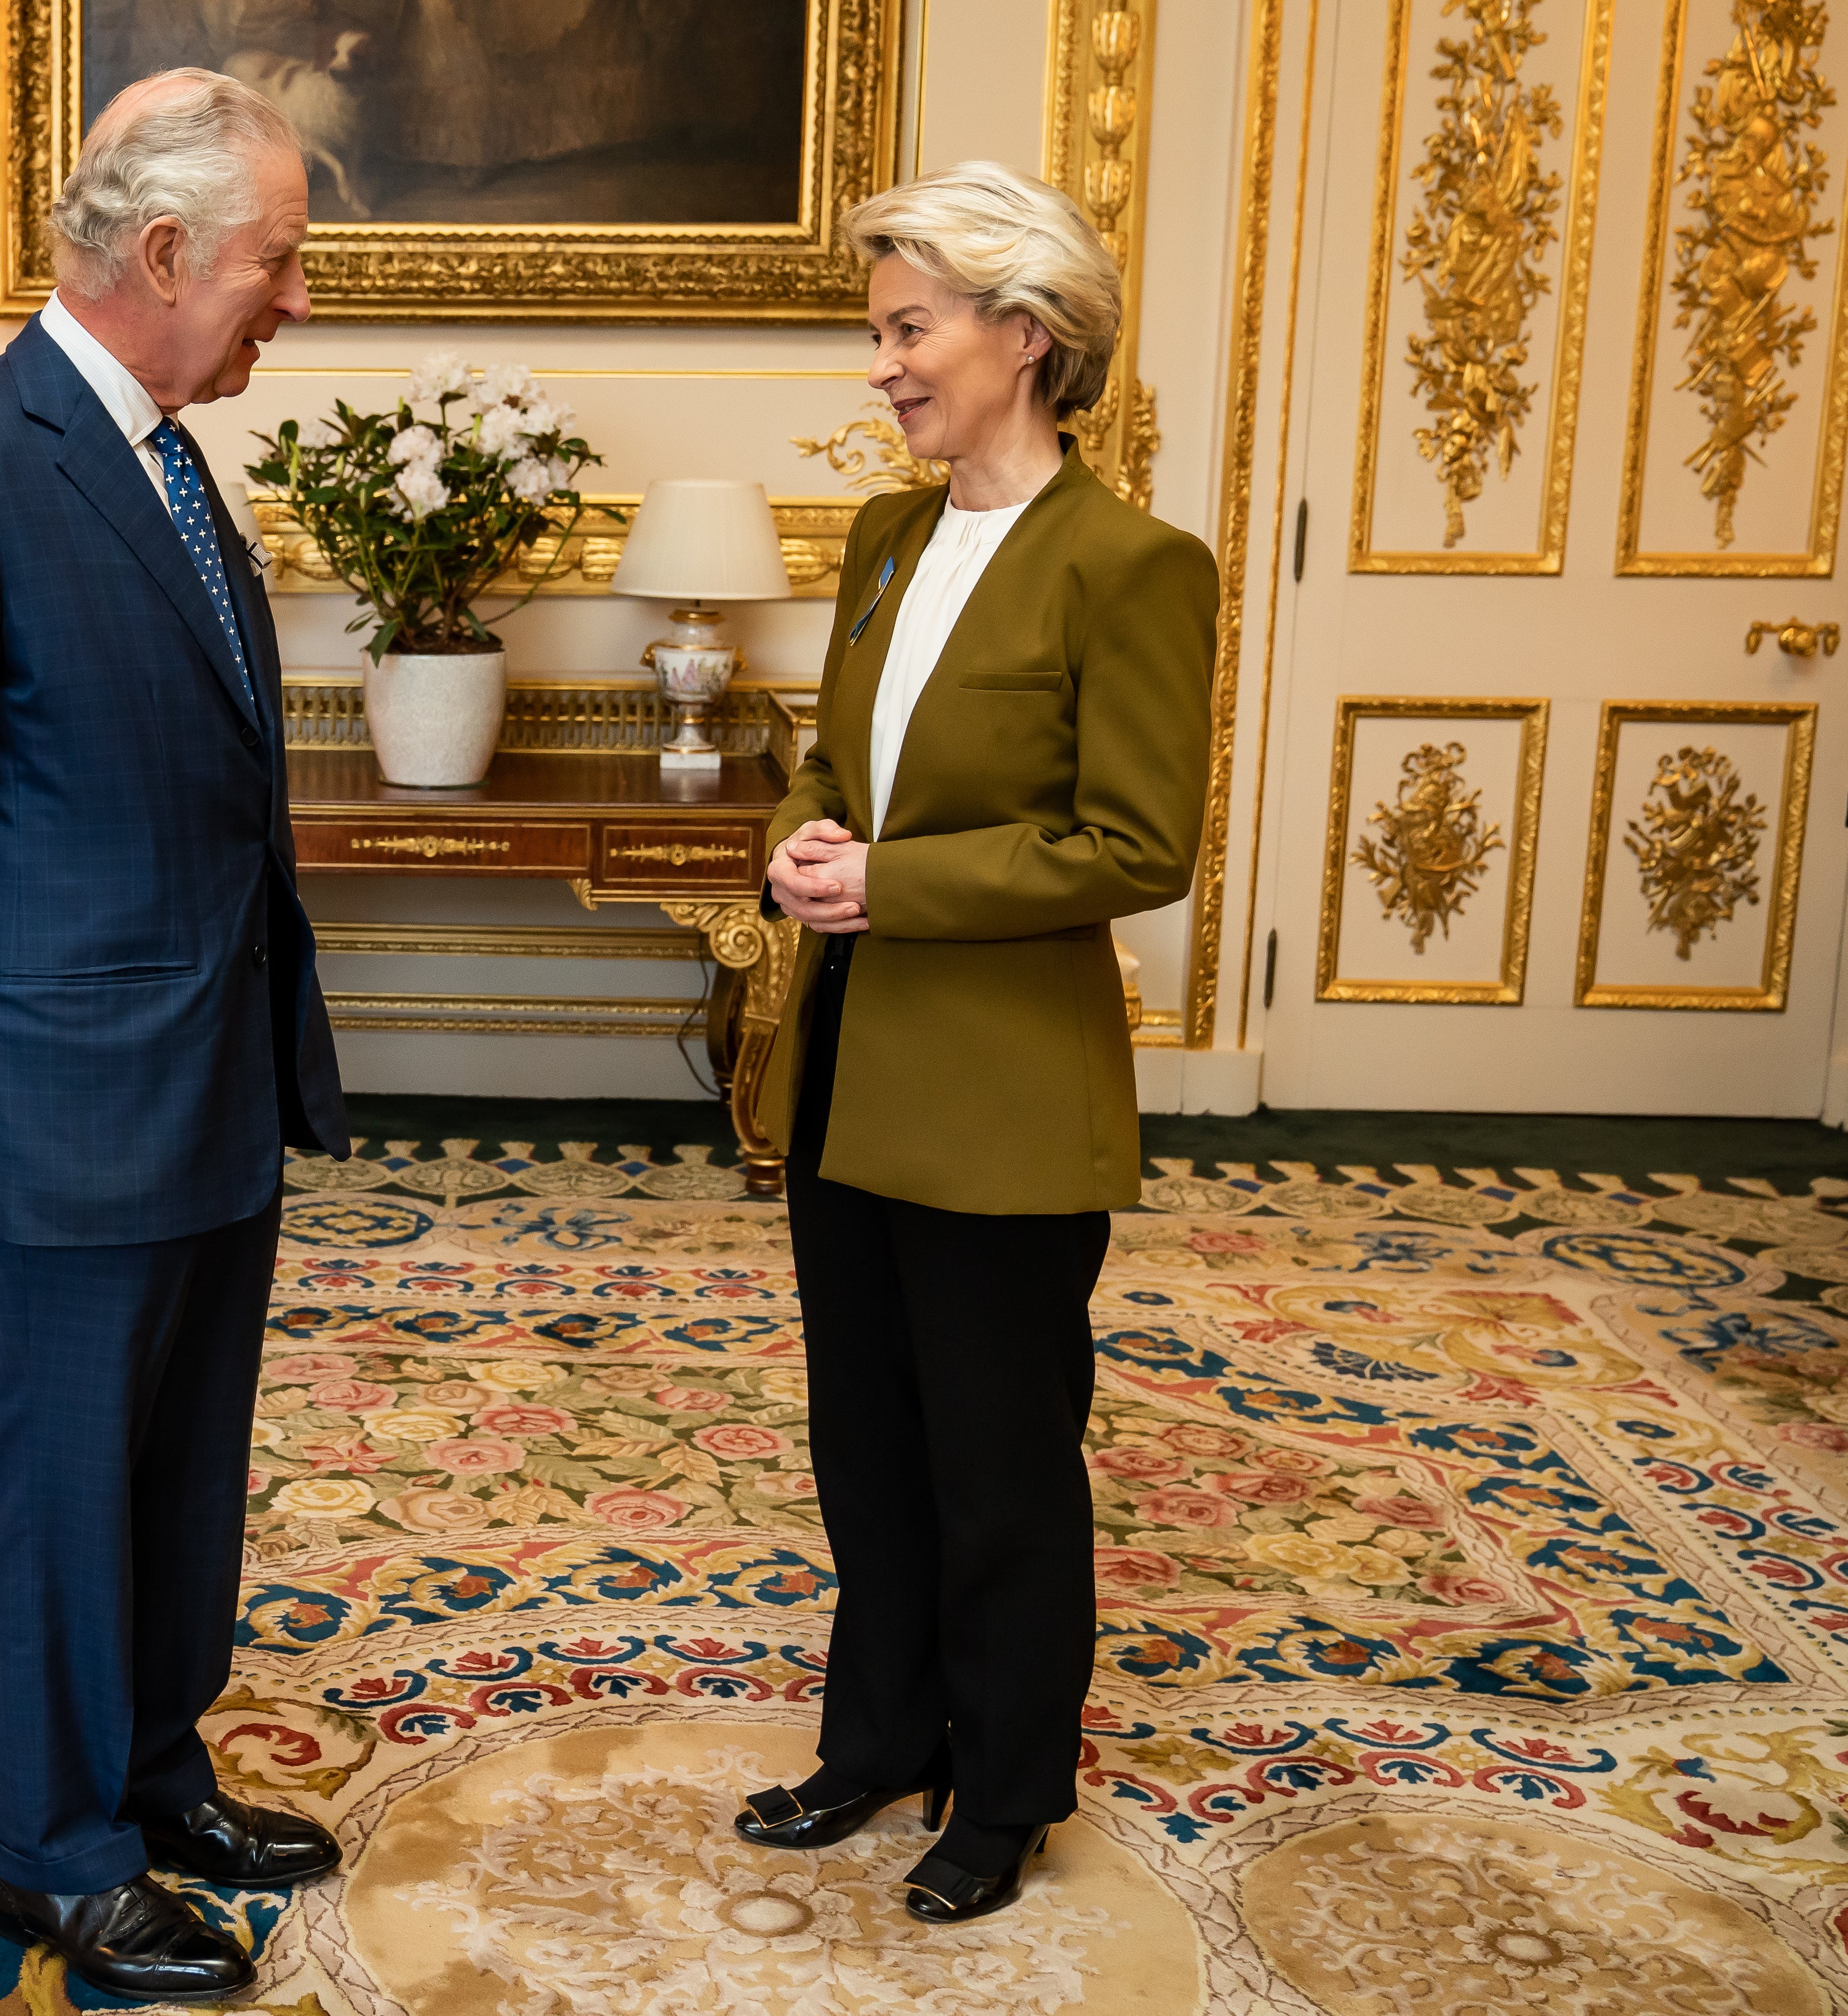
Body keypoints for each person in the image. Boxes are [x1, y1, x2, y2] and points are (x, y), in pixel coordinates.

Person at [0, 68, 347, 2006]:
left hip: (199, 1084)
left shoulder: (159, 454)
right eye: (275, 263)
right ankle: (52, 1855)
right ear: (162, 254)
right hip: (51, 1109)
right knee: (61, 1494)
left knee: (181, 1473)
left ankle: (149, 1774)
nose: (291, 299)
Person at [737, 161, 1217, 1924]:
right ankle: (874, 1738)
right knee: (862, 1437)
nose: (884, 364)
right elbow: (833, 763)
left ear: (1023, 334)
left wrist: (894, 882)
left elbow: (1135, 843)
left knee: (1000, 1461)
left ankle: (1003, 1790)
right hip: (854, 1066)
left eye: (907, 328)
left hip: (1005, 1098)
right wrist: (800, 841)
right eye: (881, 330)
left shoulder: (1130, 564)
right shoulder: (882, 536)